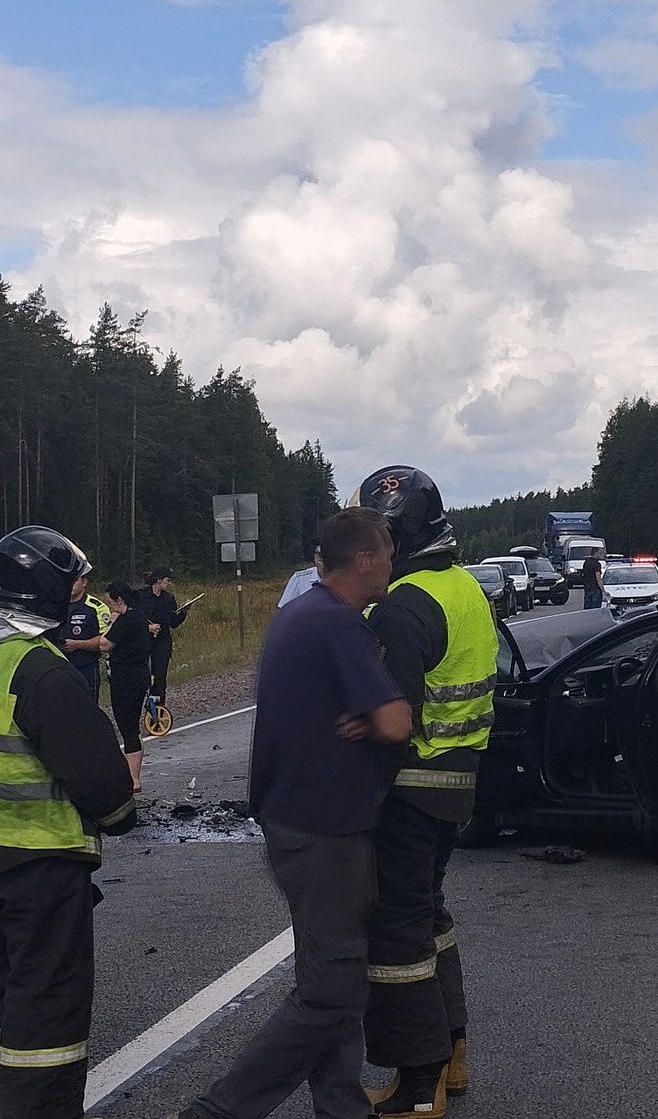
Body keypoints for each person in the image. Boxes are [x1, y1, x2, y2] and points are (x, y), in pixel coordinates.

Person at [175, 508, 411, 1119]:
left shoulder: (297, 615)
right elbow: (396, 721)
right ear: (362, 559)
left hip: (294, 820)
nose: (391, 563)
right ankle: (221, 1110)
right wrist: (379, 712)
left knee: (331, 981)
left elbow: (362, 713)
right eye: (386, 553)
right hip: (325, 829)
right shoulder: (338, 625)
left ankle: (342, 1108)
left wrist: (367, 713)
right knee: (333, 992)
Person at [0, 526, 140, 1119]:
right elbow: (102, 779)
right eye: (73, 583)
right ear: (50, 594)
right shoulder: (43, 673)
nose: (80, 593)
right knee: (46, 1001)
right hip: (43, 860)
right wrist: (120, 816)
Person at [354, 465, 497, 1118]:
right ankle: (453, 1053)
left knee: (398, 935)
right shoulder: (463, 588)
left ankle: (419, 1083)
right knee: (431, 919)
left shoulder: (404, 607)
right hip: (456, 784)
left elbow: (392, 720)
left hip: (409, 792)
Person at [101, 581, 160, 789]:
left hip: (125, 679)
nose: (109, 607)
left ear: (119, 600)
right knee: (132, 728)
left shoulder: (125, 620)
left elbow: (104, 644)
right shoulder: (141, 618)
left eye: (110, 602)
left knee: (127, 727)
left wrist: (113, 621)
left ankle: (133, 778)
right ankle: (133, 775)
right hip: (139, 676)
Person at [133, 565, 189, 704]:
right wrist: (147, 627)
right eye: (167, 580)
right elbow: (132, 618)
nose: (169, 584)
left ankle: (158, 711)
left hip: (162, 643)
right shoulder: (139, 596)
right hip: (143, 642)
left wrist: (184, 612)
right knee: (142, 675)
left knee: (160, 677)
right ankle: (139, 705)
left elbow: (173, 622)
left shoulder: (169, 598)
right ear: (158, 580)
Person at [59, 573, 109, 697]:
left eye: (75, 581)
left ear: (84, 582)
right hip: (59, 667)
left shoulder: (97, 607)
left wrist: (77, 644)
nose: (70, 585)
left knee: (88, 708)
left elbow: (104, 641)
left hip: (86, 667)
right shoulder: (57, 605)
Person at [276, 538, 320, 608]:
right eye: (320, 556)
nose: (324, 561)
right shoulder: (299, 579)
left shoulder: (342, 580)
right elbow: (284, 611)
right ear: (315, 557)